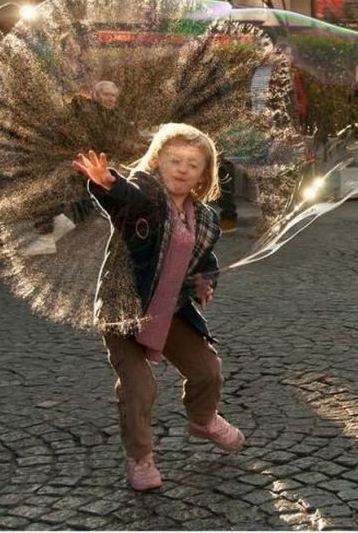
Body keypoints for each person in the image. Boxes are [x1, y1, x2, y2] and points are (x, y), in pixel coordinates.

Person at [72, 123, 245, 492]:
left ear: (204, 174)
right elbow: (126, 199)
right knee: (139, 387)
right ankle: (140, 457)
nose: (182, 169)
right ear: (157, 161)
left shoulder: (206, 218)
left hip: (170, 309)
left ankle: (202, 419)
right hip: (125, 308)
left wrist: (204, 283)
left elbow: (204, 261)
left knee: (208, 370)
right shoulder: (146, 198)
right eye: (175, 160)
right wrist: (108, 184)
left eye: (193, 164)